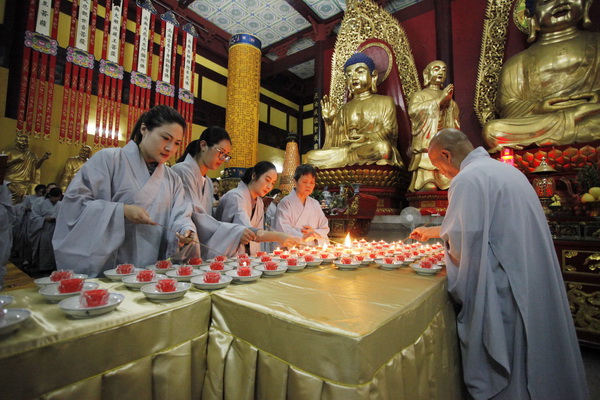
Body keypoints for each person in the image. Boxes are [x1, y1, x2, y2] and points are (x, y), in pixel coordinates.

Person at [410, 128, 588, 400]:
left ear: (446, 154)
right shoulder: (507, 172)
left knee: (514, 352)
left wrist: (455, 279)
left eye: (438, 165)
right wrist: (435, 231)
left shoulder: (467, 179)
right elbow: (485, 224)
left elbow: (466, 240)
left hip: (505, 282)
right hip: (528, 272)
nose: (441, 174)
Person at [53, 105, 197, 277]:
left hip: (153, 268)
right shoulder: (109, 159)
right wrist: (120, 211)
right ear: (144, 129)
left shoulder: (173, 178)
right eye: (166, 138)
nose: (170, 149)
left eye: (177, 144)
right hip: (110, 265)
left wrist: (185, 229)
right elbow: (74, 206)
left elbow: (180, 213)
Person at [483, 0, 600, 152]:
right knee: (493, 131)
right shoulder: (518, 62)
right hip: (545, 122)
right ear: (531, 17)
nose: (559, 3)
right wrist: (538, 107)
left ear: (586, 5)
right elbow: (508, 108)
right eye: (546, 1)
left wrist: (590, 103)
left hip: (591, 114)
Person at [306, 52, 403, 168]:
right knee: (310, 156)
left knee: (383, 149)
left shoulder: (385, 101)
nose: (354, 77)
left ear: (374, 76)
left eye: (360, 71)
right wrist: (330, 121)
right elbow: (336, 143)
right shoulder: (344, 108)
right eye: (349, 75)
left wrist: (366, 137)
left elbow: (390, 131)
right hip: (346, 152)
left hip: (368, 148)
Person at [171, 127, 256, 259]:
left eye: (226, 155)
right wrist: (234, 232)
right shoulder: (182, 171)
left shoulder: (208, 182)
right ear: (203, 145)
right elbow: (195, 214)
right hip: (183, 240)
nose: (223, 159)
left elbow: (208, 217)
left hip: (201, 245)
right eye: (221, 152)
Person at [215, 161, 305, 255]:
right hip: (225, 253)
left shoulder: (259, 202)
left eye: (273, 183)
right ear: (254, 176)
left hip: (246, 256)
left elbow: (257, 235)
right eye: (267, 180)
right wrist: (278, 236)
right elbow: (246, 231)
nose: (269, 187)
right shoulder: (235, 197)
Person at [407, 60, 459, 191]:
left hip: (444, 150)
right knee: (429, 187)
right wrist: (438, 102)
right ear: (426, 74)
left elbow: (455, 124)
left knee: (453, 186)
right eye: (436, 69)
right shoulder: (419, 95)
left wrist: (450, 105)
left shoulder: (450, 100)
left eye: (443, 70)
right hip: (427, 150)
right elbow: (413, 111)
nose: (441, 72)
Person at [274, 164, 330, 247]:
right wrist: (303, 236)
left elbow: (325, 228)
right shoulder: (285, 203)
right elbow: (283, 230)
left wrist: (314, 232)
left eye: (312, 183)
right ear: (295, 181)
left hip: (313, 250)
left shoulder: (315, 204)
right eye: (305, 182)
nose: (308, 186)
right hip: (293, 249)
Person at [1, 134, 51, 204]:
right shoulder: (8, 152)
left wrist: (42, 159)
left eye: (26, 141)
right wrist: (15, 161)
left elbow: (35, 166)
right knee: (15, 191)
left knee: (34, 190)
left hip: (26, 181)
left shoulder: (31, 155)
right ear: (17, 141)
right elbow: (2, 166)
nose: (24, 143)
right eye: (22, 141)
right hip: (11, 180)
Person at [28, 187, 62, 276]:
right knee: (45, 247)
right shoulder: (40, 202)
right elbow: (33, 216)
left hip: (57, 228)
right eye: (55, 197)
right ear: (50, 195)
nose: (56, 199)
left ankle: (55, 266)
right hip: (44, 227)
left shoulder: (61, 204)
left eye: (58, 197)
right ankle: (44, 267)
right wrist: (44, 219)